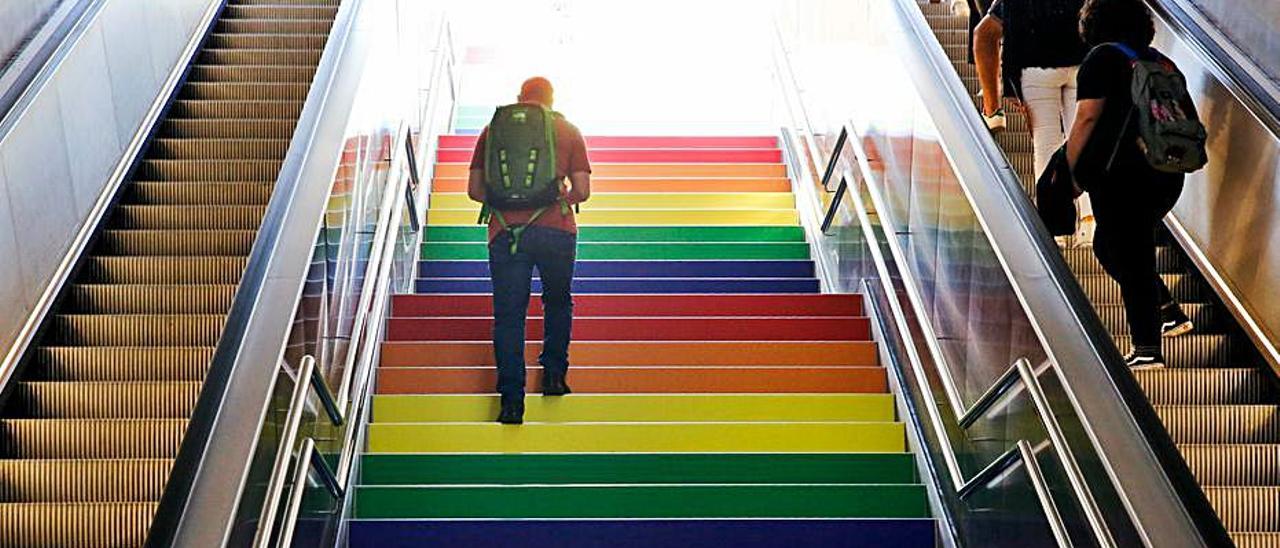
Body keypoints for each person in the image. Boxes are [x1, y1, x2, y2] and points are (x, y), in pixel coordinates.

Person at [1066, 0, 1195, 370]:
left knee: (1132, 254)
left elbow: (1087, 120)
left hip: (1122, 172)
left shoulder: (1101, 58)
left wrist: (1072, 171)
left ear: (1093, 24)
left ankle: (1147, 349)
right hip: (1167, 171)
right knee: (1109, 246)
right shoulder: (1160, 60)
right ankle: (1168, 310)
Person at [467, 77, 592, 423]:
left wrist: (509, 204)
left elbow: (475, 190)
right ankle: (553, 376)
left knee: (508, 316)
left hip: (506, 234)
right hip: (556, 231)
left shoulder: (493, 131)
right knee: (557, 301)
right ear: (552, 100)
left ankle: (511, 400)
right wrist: (555, 198)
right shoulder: (568, 130)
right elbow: (582, 189)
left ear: (520, 99)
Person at [983, 0, 1097, 247]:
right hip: (1081, 63)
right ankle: (1089, 221)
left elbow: (1014, 31)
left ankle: (1053, 228)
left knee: (1046, 146)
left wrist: (1011, 83)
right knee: (1082, 142)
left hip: (1036, 68)